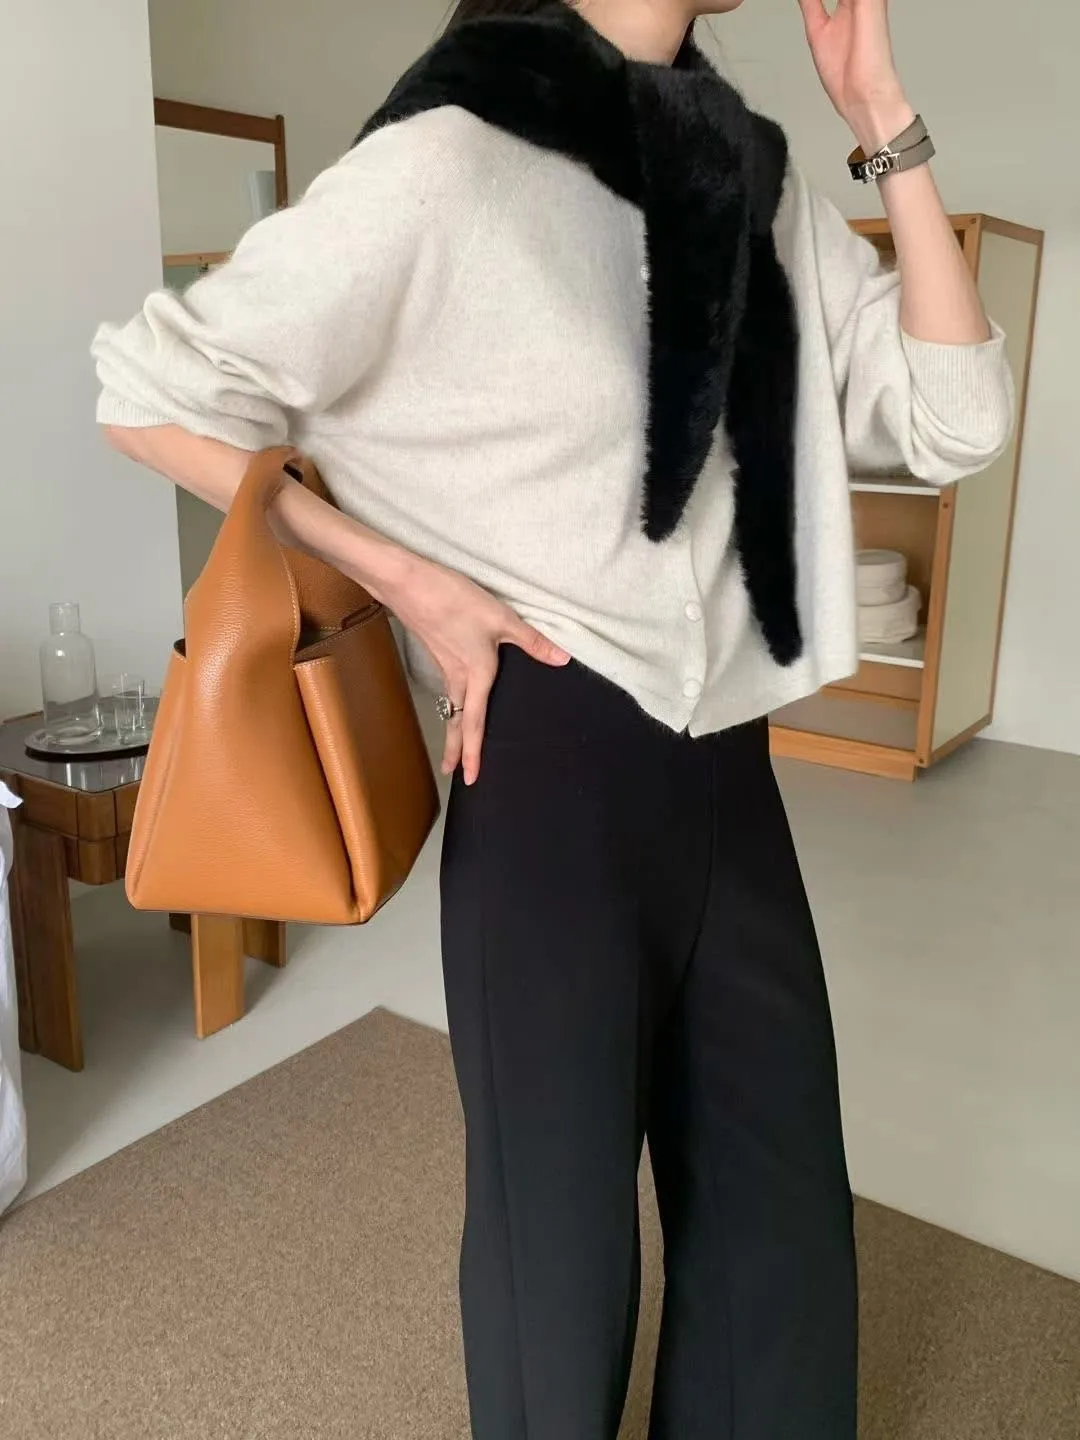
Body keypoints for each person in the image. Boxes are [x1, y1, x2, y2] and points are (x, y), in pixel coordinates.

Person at [93, 1, 1014, 1435]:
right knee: (560, 1258)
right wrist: (407, 580)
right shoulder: (456, 154)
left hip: (730, 778)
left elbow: (956, 423)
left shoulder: (748, 174)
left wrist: (880, 117)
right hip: (547, 765)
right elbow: (146, 391)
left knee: (780, 1225)